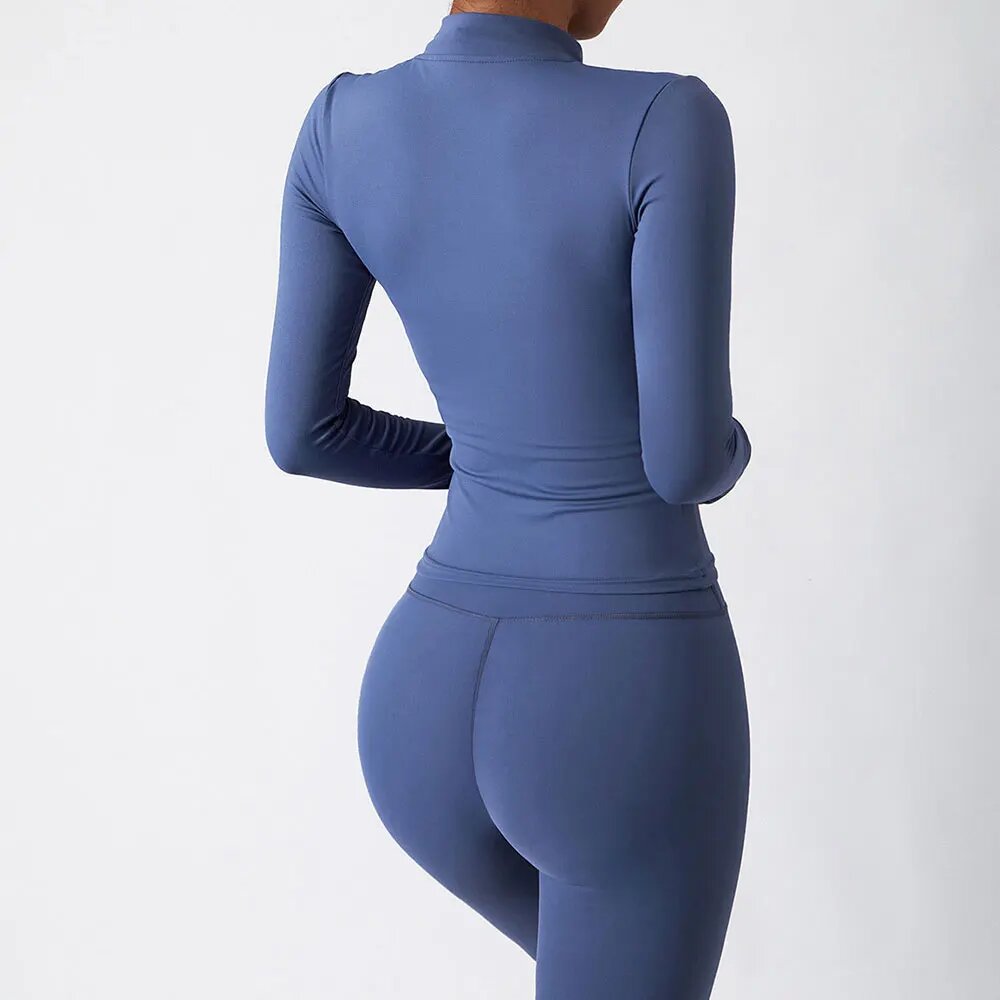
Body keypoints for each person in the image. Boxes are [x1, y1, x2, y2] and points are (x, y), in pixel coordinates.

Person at [264, 1, 752, 996]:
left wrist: (496, 458)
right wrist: (734, 446)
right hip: (615, 695)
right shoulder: (666, 119)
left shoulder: (339, 124)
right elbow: (685, 462)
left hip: (419, 700)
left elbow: (303, 433)